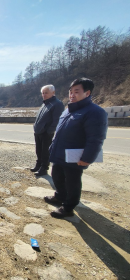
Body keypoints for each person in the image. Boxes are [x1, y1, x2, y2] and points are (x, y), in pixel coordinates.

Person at [45, 78, 108, 218]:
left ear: (87, 93)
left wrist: (87, 158)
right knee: (57, 176)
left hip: (75, 157)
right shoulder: (68, 110)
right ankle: (60, 196)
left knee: (72, 182)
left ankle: (68, 207)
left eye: (76, 92)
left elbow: (96, 139)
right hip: (60, 154)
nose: (72, 95)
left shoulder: (95, 112)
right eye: (70, 91)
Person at [31, 85, 64, 176]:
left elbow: (57, 120)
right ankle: (38, 165)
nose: (44, 95)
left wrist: (49, 131)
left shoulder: (57, 104)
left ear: (53, 93)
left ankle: (44, 168)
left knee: (45, 151)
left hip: (46, 133)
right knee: (38, 150)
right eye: (43, 93)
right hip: (38, 131)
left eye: (46, 93)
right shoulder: (45, 103)